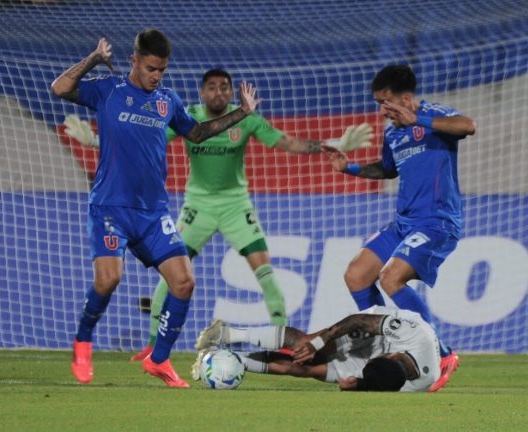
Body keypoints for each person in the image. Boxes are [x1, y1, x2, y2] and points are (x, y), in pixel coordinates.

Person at [51, 29, 262, 388]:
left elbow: (196, 133)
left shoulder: (167, 100)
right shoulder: (109, 90)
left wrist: (242, 112)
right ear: (134, 60)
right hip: (111, 208)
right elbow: (60, 88)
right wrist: (94, 59)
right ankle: (83, 341)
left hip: (152, 213)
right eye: (151, 68)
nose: (156, 76)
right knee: (109, 279)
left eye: (162, 70)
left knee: (184, 282)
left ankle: (159, 359)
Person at [123, 68, 373, 362]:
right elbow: (148, 135)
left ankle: (281, 346)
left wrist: (334, 145)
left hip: (236, 207)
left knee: (266, 274)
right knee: (170, 273)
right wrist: (97, 142)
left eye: (224, 87)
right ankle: (153, 345)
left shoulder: (247, 118)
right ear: (202, 92)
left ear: (231, 93)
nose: (218, 92)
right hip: (198, 207)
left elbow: (287, 142)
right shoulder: (188, 117)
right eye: (212, 87)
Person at [321, 64, 476, 392]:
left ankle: (440, 353)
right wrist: (348, 167)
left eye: (386, 102)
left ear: (405, 99)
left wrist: (417, 119)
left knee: (391, 278)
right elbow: (387, 169)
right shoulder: (392, 133)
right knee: (356, 275)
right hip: (403, 222)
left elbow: (468, 126)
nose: (382, 110)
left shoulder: (434, 115)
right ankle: (380, 346)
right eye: (378, 103)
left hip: (437, 222)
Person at [194, 305, 441, 392]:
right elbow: (358, 320)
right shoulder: (416, 335)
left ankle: (224, 359)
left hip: (377, 366)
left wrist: (356, 385)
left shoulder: (417, 385)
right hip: (374, 331)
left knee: (304, 368)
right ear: (394, 355)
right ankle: (226, 333)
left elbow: (379, 385)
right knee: (305, 346)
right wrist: (319, 342)